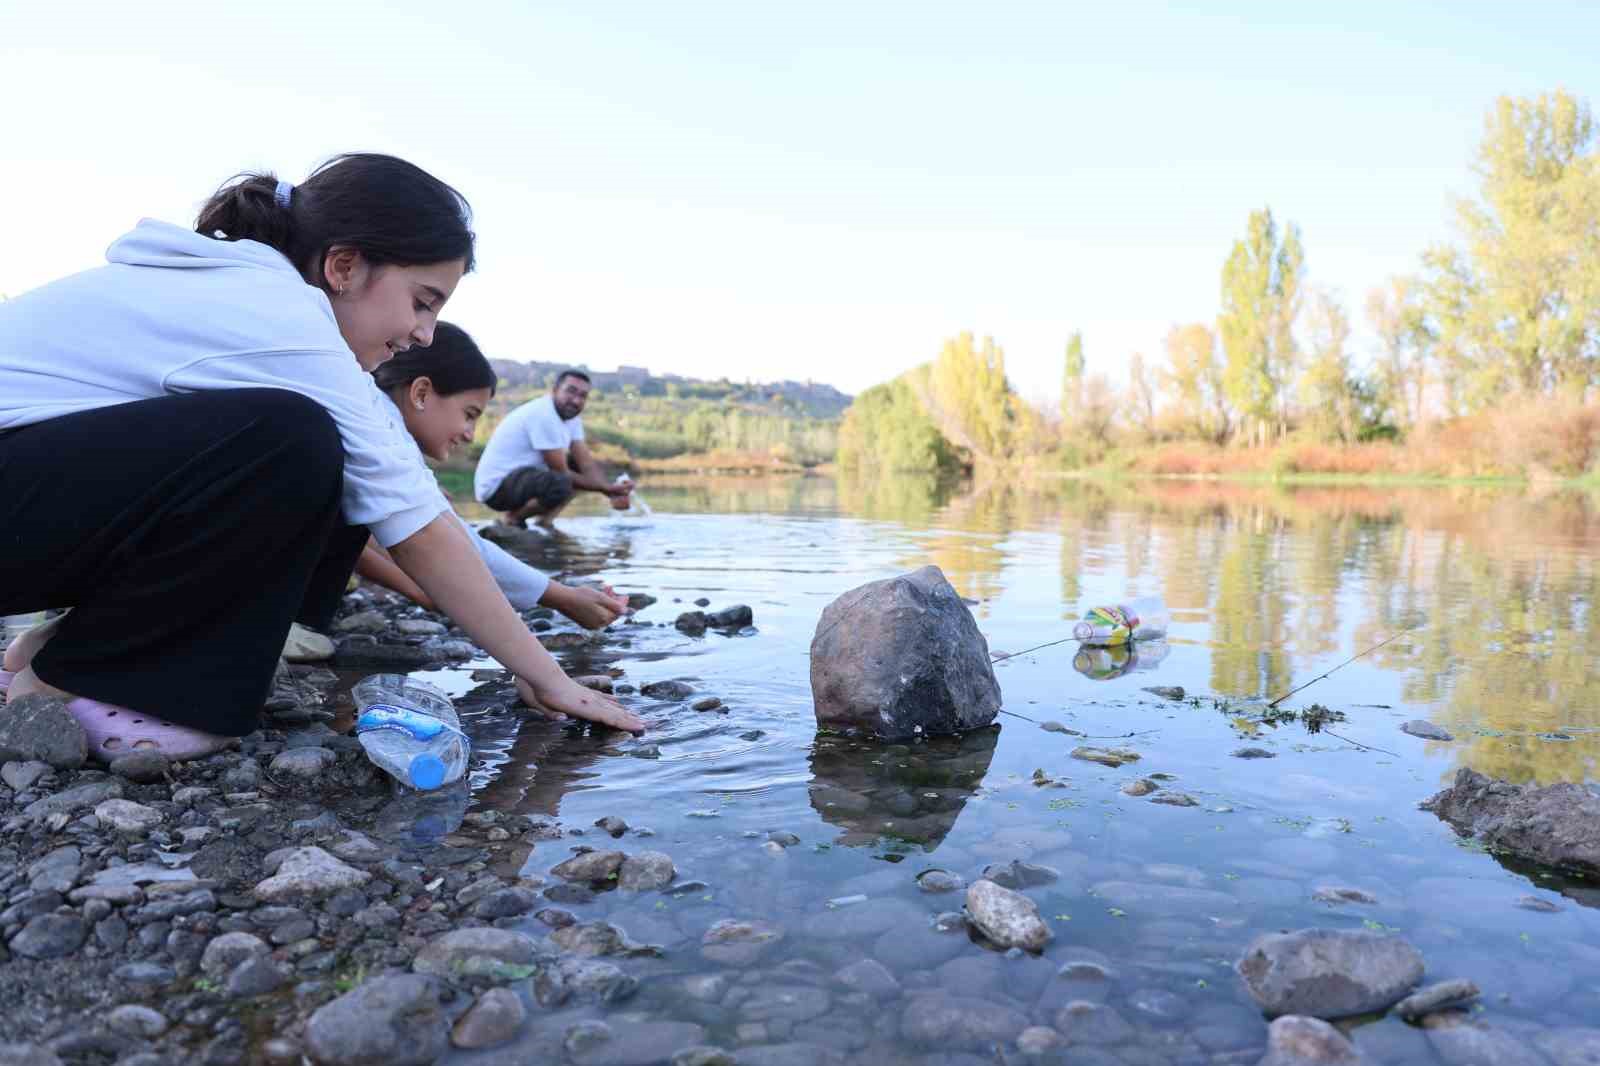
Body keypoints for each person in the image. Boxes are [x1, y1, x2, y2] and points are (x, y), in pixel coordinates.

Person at [0, 153, 643, 763]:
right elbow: (420, 530)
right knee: (289, 438)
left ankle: (81, 647)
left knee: (329, 458)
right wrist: (549, 677)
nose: (425, 333)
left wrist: (545, 614)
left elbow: (416, 503)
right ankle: (76, 687)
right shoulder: (276, 315)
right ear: (343, 267)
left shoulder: (268, 306)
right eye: (423, 301)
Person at [352, 321, 630, 631]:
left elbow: (356, 540)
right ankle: (515, 521)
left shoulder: (377, 422)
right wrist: (562, 597)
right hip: (500, 487)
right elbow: (462, 546)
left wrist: (422, 590)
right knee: (560, 480)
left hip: (517, 483)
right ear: (420, 392)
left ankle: (534, 525)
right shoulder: (376, 433)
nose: (471, 435)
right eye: (469, 415)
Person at [473, 368, 634, 527]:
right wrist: (607, 489)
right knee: (560, 482)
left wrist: (611, 489)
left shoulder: (571, 418)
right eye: (571, 391)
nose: (576, 400)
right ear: (555, 390)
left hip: (524, 480)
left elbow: (586, 464)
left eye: (582, 396)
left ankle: (545, 522)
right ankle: (513, 519)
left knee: (575, 469)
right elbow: (560, 470)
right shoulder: (544, 414)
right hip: (496, 490)